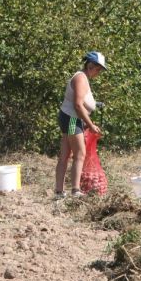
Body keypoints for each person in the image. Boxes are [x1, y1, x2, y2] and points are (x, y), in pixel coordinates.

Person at [54, 52, 106, 198]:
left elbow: (83, 102)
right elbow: (77, 105)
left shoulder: (83, 78)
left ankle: (59, 191)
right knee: (79, 154)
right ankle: (75, 190)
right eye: (98, 69)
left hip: (69, 118)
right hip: (71, 119)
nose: (99, 73)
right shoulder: (80, 78)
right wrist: (90, 125)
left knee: (65, 154)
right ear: (90, 66)